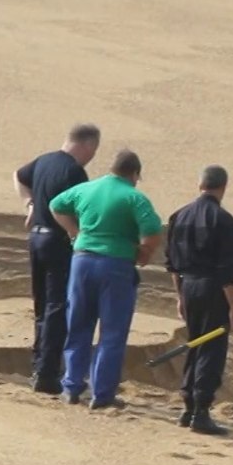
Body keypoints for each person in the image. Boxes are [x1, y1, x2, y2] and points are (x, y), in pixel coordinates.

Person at [49, 149, 164, 409]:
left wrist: (75, 232)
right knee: (112, 332)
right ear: (135, 174)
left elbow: (56, 205)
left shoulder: (86, 189)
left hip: (82, 261)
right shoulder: (134, 197)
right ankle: (102, 394)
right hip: (116, 265)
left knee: (78, 324)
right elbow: (153, 231)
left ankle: (71, 386)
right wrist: (144, 252)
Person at [12, 123, 100, 394]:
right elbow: (81, 208)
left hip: (36, 238)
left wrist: (29, 204)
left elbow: (18, 176)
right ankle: (47, 373)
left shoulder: (44, 160)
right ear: (87, 145)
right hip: (57, 240)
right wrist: (78, 235)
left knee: (43, 304)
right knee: (56, 306)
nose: (92, 156)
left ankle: (39, 365)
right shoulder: (74, 171)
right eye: (93, 150)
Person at [163, 165, 233, 435]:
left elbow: (172, 263)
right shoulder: (225, 221)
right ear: (223, 187)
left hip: (188, 285)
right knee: (211, 347)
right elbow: (227, 272)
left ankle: (187, 407)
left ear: (200, 185)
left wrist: (180, 296)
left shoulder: (179, 216)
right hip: (212, 288)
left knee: (194, 343)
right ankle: (201, 410)